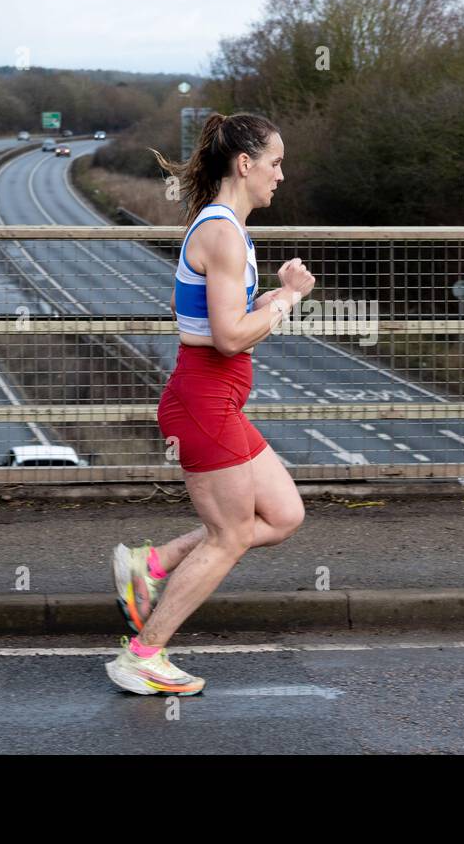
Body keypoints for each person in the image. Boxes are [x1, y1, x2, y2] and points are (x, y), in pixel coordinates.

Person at [106, 111, 315, 696]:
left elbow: (222, 323)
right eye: (274, 162)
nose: (280, 174)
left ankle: (149, 566)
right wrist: (290, 299)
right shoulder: (223, 233)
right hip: (204, 402)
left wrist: (271, 296)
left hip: (214, 399)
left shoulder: (228, 230)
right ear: (245, 164)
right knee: (228, 536)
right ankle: (143, 656)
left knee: (281, 515)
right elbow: (228, 337)